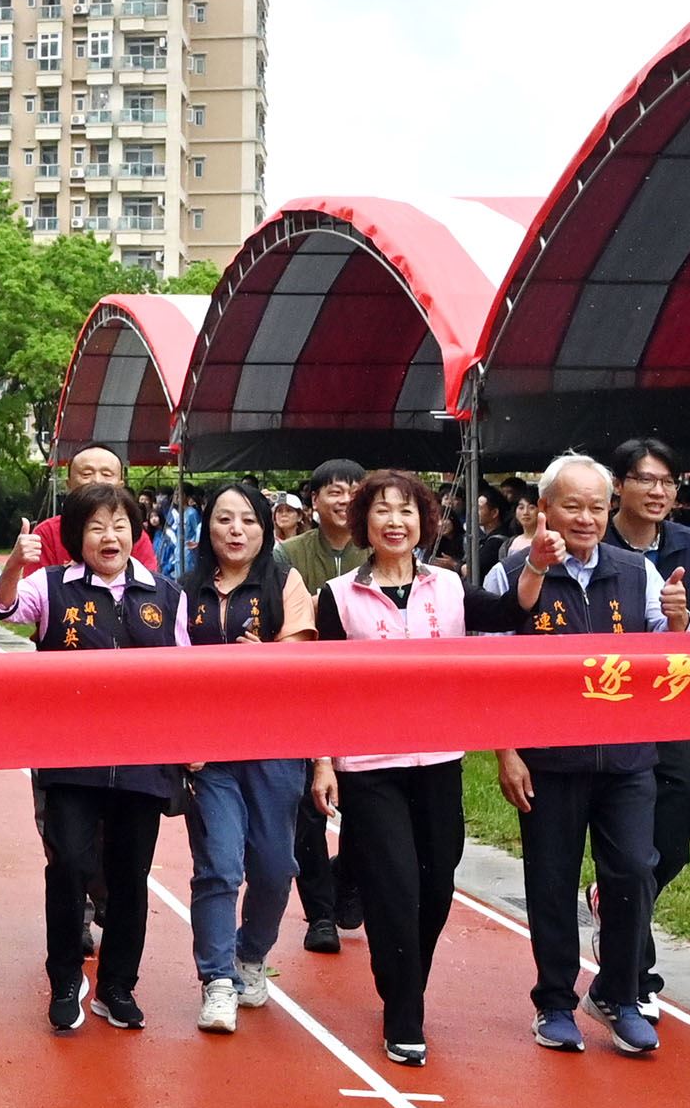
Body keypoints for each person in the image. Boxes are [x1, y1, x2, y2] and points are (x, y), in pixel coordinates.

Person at [309, 472, 524, 1065]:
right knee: (396, 888)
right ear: (364, 524)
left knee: (435, 886)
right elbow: (321, 688)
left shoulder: (450, 588)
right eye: (382, 511)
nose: (395, 521)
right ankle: (404, 1013)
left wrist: (536, 562)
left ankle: (404, 979)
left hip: (439, 762)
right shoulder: (339, 595)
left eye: (406, 510)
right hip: (369, 766)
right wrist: (323, 762)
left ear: (424, 521)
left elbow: (511, 609)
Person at [485, 453, 666, 1055]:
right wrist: (507, 752)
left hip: (626, 757)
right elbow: (492, 674)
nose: (586, 518)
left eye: (597, 506)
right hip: (549, 759)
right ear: (544, 510)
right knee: (552, 879)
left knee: (634, 870)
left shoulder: (637, 570)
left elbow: (661, 658)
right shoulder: (512, 575)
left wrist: (680, 622)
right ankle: (555, 1001)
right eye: (572, 506)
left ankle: (619, 992)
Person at [0, 480, 185, 1033]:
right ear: (78, 536)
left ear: (135, 534)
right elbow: (2, 609)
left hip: (144, 760)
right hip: (71, 758)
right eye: (97, 526)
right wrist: (14, 566)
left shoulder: (165, 594)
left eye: (120, 525)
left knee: (129, 876)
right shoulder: (51, 587)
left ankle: (118, 986)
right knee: (70, 866)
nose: (110, 535)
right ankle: (65, 980)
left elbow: (187, 677)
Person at [179, 480, 316, 1032]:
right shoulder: (182, 588)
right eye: (223, 520)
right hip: (207, 753)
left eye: (248, 521)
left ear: (266, 527)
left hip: (273, 746)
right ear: (207, 528)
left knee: (275, 867)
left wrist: (269, 658)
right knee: (219, 865)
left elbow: (302, 654)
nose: (236, 531)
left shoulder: (285, 581)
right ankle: (216, 979)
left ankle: (250, 953)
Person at [606, 437, 690, 1007]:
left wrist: (680, 621)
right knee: (630, 849)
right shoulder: (597, 537)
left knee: (680, 819)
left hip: (664, 700)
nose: (659, 491)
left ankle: (612, 902)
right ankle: (636, 969)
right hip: (603, 699)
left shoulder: (685, 542)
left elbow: (686, 632)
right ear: (620, 484)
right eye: (646, 479)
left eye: (668, 482)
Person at [276, 457, 369, 946]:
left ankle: (348, 876)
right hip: (305, 693)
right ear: (313, 501)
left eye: (355, 489)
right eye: (334, 490)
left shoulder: (377, 549)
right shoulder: (286, 554)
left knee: (366, 800)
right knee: (308, 808)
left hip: (363, 698)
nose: (345, 499)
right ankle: (320, 913)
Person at [30, 443, 159, 577]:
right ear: (69, 485)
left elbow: (148, 589)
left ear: (121, 486)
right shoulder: (46, 533)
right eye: (86, 474)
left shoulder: (132, 534)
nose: (97, 481)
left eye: (106, 474)